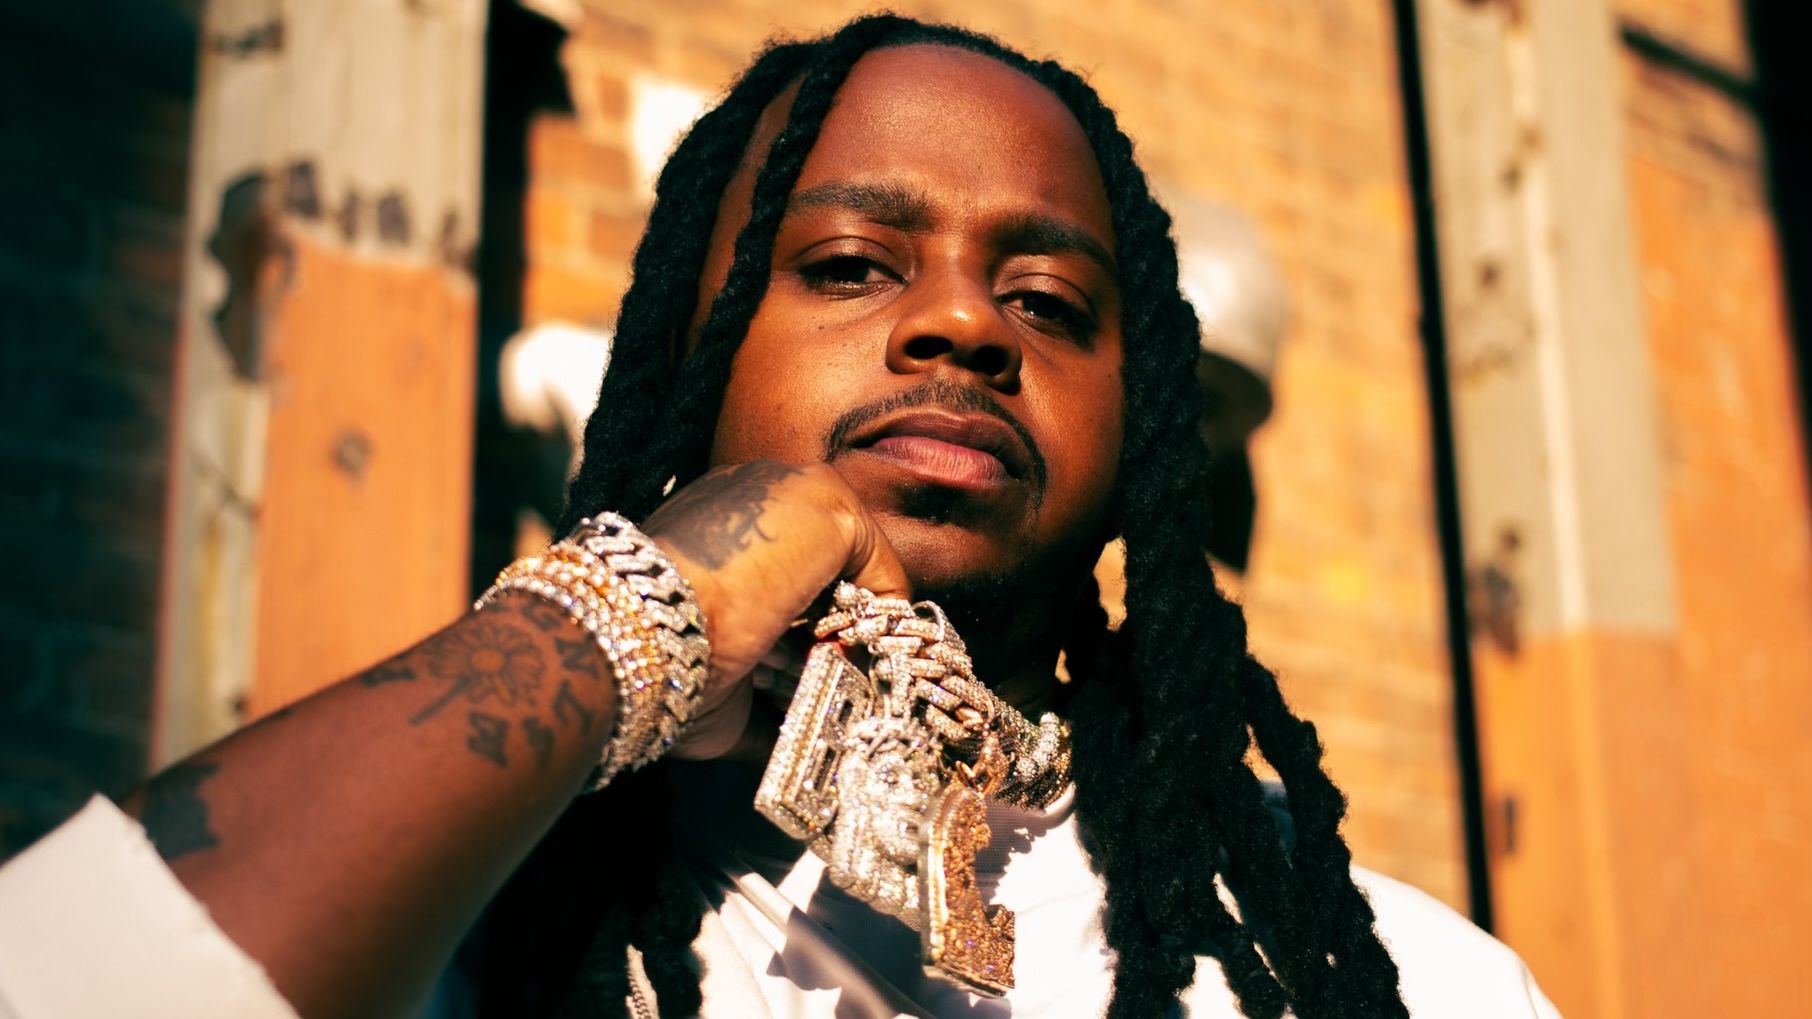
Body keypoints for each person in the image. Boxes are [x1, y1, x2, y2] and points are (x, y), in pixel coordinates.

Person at [0, 15, 1560, 1019]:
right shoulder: (463, 909)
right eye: (850, 267)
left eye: (1046, 300)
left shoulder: (1388, 978)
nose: (966, 326)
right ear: (692, 358)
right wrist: (641, 606)